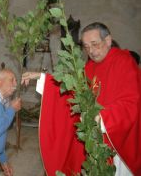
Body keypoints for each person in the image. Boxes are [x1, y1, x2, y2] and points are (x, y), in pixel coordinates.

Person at [21, 22, 141, 175]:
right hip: (93, 135)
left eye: (94, 44)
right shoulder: (90, 67)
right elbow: (74, 90)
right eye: (86, 46)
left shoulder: (124, 62)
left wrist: (104, 118)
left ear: (108, 40)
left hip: (115, 138)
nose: (91, 51)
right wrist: (43, 78)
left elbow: (132, 102)